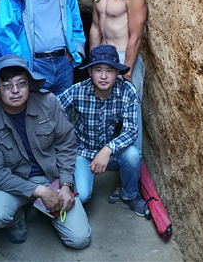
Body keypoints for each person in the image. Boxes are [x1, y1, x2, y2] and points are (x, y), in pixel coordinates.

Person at [0, 54, 91, 248]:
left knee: (79, 240)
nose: (15, 90)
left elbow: (66, 144)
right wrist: (40, 192)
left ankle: (45, 209)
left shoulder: (49, 102)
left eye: (21, 83)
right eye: (7, 85)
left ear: (29, 84)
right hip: (14, 184)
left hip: (52, 178)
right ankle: (17, 216)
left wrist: (65, 184)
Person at [57, 45, 149, 217]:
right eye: (98, 70)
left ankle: (129, 195)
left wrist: (107, 150)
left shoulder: (127, 91)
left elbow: (131, 131)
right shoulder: (78, 90)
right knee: (82, 196)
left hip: (113, 154)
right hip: (84, 153)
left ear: (117, 73)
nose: (104, 76)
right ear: (90, 72)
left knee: (133, 155)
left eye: (110, 70)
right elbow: (52, 108)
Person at [89, 0, 147, 150]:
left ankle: (132, 164)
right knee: (101, 111)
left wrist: (127, 71)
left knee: (130, 115)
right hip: (103, 58)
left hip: (124, 58)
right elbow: (95, 27)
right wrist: (93, 63)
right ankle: (102, 158)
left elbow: (136, 36)